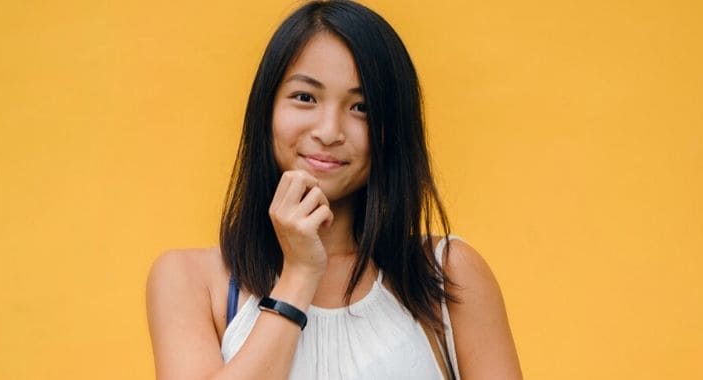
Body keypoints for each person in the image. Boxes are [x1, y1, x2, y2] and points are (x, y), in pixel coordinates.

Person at [146, 1, 522, 379]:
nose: (329, 131)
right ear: (267, 109)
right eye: (305, 97)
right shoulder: (189, 280)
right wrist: (299, 274)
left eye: (361, 107)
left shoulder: (446, 275)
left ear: (392, 129)